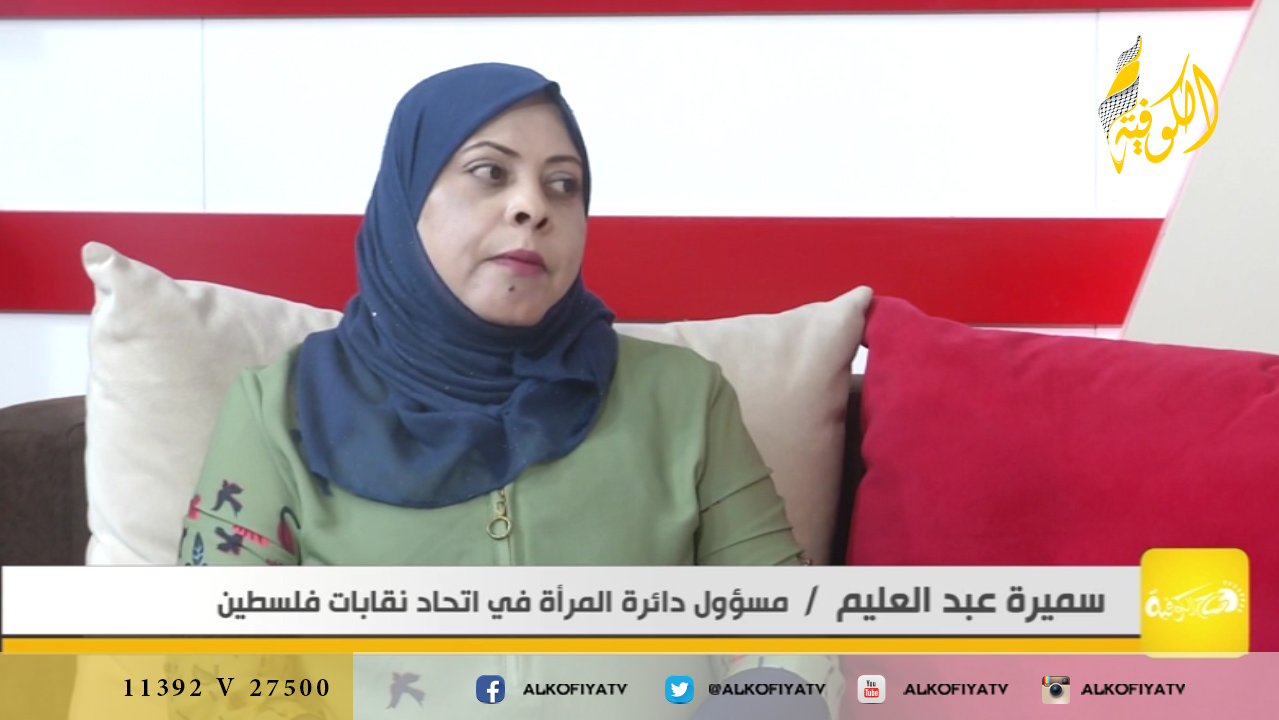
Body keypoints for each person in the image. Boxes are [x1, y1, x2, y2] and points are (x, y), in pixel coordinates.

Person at [174, 63, 841, 719]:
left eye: (563, 185)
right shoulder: (281, 410)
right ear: (408, 197)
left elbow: (788, 635)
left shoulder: (685, 398)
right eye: (490, 172)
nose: (533, 207)